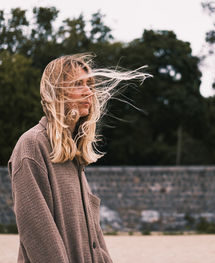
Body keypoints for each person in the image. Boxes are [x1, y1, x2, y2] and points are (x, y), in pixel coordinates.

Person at [8, 54, 150, 263]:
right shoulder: (32, 145)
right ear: (57, 91)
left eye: (89, 84)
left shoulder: (73, 154)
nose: (88, 92)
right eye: (77, 84)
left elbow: (94, 238)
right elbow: (37, 231)